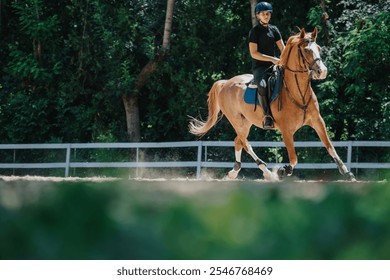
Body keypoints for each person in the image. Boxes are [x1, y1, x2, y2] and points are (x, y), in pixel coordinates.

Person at [248, 2, 285, 129]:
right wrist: (272, 59)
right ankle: (267, 116)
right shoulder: (254, 32)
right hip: (260, 68)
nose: (266, 16)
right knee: (263, 85)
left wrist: (285, 60)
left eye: (268, 13)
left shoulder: (274, 30)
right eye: (263, 14)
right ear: (258, 16)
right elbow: (254, 53)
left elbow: (283, 48)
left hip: (275, 65)